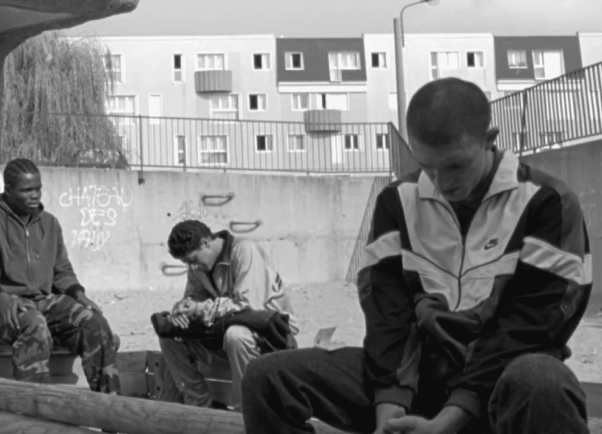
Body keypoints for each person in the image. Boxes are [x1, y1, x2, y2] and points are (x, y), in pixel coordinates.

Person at [241, 77, 591, 434]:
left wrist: (453, 417)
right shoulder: (397, 202)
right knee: (267, 378)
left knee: (542, 380)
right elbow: (388, 315)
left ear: (490, 140)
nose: (441, 183)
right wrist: (389, 411)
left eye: (455, 166)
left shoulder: (546, 202)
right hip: (418, 380)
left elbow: (533, 325)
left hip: (499, 383)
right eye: (427, 166)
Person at [0, 158, 121, 393]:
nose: (35, 195)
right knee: (35, 325)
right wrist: (2, 297)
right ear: (8, 190)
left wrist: (79, 294)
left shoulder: (50, 223)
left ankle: (111, 408)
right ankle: (35, 407)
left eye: (38, 189)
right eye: (27, 190)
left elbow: (62, 271)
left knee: (95, 324)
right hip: (9, 309)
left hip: (47, 302)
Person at [153, 220, 298, 410]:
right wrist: (182, 310)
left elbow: (247, 306)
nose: (193, 267)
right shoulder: (198, 268)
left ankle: (247, 410)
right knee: (170, 337)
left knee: (236, 335)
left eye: (194, 260)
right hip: (224, 335)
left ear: (205, 242)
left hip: (272, 337)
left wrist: (198, 309)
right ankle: (200, 406)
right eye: (188, 263)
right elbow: (194, 298)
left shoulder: (245, 251)